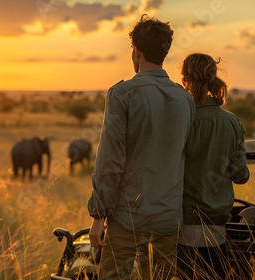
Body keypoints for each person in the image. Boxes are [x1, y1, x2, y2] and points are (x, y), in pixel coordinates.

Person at [88, 15, 195, 280]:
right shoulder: (185, 98)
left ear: (136, 50)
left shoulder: (122, 94)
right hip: (170, 217)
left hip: (128, 216)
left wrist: (99, 216)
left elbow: (110, 161)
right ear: (164, 51)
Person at [177, 53, 250, 279]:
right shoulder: (232, 122)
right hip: (218, 227)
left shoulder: (182, 119)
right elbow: (241, 176)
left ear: (185, 80)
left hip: (184, 225)